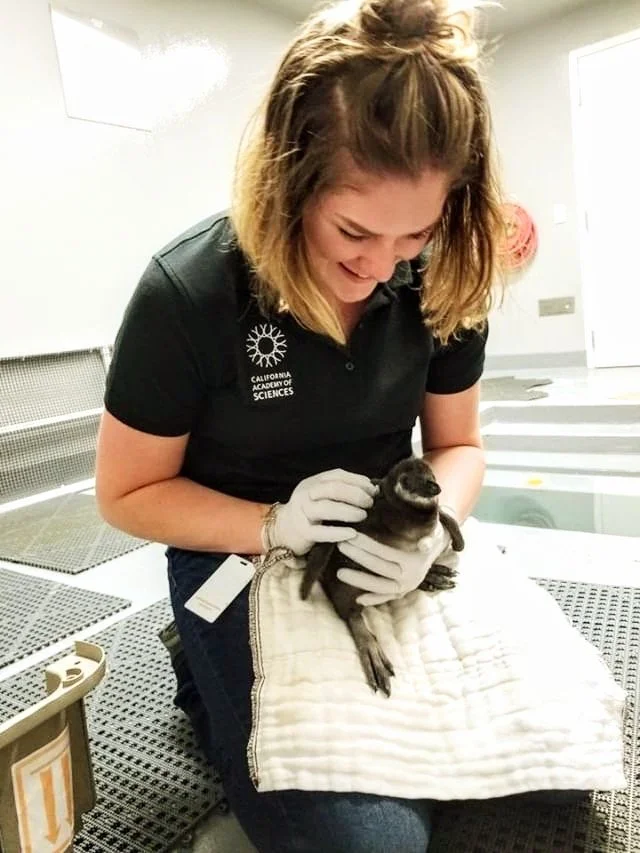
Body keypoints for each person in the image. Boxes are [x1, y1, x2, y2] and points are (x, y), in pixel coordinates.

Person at [95, 0, 507, 849]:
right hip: (237, 548)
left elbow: (458, 445)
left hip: (391, 537)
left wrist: (437, 530)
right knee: (368, 840)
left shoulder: (442, 270)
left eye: (414, 233)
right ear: (289, 180)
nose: (381, 265)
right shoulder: (189, 295)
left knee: (537, 757)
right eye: (352, 229)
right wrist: (270, 524)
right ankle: (202, 671)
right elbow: (126, 491)